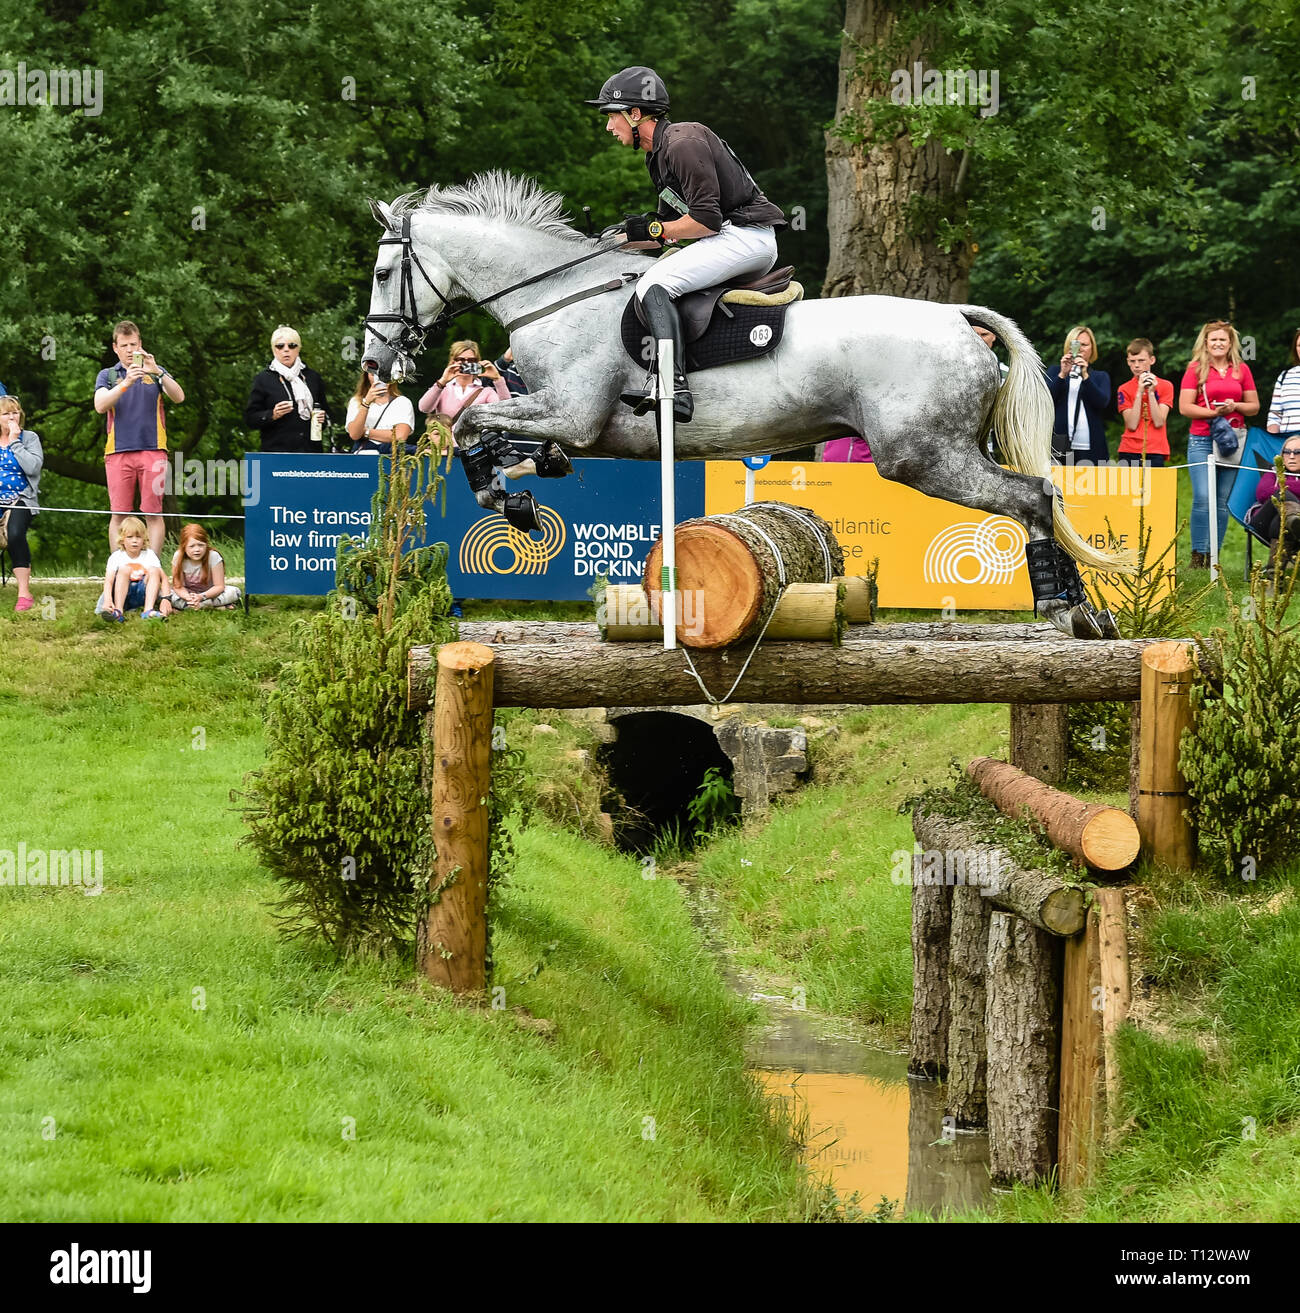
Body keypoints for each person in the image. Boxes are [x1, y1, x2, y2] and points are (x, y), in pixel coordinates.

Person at [586, 65, 785, 422]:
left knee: (653, 285)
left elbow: (705, 222)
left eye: (610, 116)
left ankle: (673, 386)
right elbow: (668, 232)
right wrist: (612, 241)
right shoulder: (658, 155)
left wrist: (653, 231)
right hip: (730, 237)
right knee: (652, 272)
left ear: (634, 114)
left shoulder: (682, 141)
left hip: (744, 237)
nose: (607, 127)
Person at [94, 320, 185, 556]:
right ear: (115, 347)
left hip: (154, 450)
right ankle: (118, 564)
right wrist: (126, 382)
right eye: (124, 345)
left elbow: (179, 397)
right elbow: (100, 405)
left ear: (140, 344)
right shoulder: (108, 374)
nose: (129, 350)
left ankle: (152, 564)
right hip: (118, 451)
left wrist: (157, 371)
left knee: (153, 513)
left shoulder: (155, 372)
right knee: (119, 514)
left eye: (133, 344)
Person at [1178, 320, 1260, 567]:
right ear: (1205, 342)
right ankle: (1198, 554)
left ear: (1230, 342)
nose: (1218, 343)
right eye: (1213, 339)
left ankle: (1214, 555)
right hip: (1202, 438)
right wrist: (1214, 412)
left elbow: (1254, 406)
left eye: (1222, 339)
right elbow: (1184, 407)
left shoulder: (1241, 370)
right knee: (1203, 497)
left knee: (1222, 501)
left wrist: (1234, 407)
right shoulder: (1195, 369)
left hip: (1231, 440)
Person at [244, 326, 330, 454]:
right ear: (274, 350)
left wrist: (322, 419)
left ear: (298, 348)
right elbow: (250, 419)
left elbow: (327, 414)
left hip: (310, 451)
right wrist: (272, 414)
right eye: (280, 346)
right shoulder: (263, 379)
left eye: (292, 345)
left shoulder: (312, 377)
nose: (286, 350)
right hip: (276, 452)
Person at [417, 341, 510, 444]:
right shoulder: (443, 388)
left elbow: (506, 411)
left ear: (477, 362)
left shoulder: (486, 392)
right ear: (453, 361)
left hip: (474, 451)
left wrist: (497, 379)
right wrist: (442, 381)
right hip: (445, 450)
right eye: (460, 359)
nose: (466, 363)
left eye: (471, 360)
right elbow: (424, 408)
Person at [0, 395, 42, 613]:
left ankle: (24, 593)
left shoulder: (29, 438)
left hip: (21, 499)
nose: (11, 417)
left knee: (15, 533)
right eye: (6, 413)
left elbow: (33, 468)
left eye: (15, 412)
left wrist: (15, 442)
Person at [1045, 325, 1110, 464]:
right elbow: (1046, 400)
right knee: (1059, 483)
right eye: (1076, 344)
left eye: (1085, 344)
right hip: (1059, 442)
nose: (1080, 348)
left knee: (1091, 484)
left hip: (1090, 443)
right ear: (1069, 346)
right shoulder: (1055, 371)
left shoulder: (1100, 376)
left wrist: (1085, 376)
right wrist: (1062, 375)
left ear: (1092, 348)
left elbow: (1102, 402)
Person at [1115, 338, 1173, 467]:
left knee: (1154, 487)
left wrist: (1151, 393)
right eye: (1132, 361)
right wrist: (1139, 392)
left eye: (1141, 360)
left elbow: (1159, 422)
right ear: (1128, 362)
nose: (1136, 365)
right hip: (1129, 449)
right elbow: (1131, 424)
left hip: (1155, 448)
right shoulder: (1124, 388)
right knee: (1128, 487)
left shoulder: (1165, 386)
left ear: (1152, 360)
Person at [98, 516, 166, 621]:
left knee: (154, 570)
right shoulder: (116, 556)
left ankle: (148, 610)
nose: (134, 541)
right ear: (122, 539)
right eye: (130, 537)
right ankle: (118, 611)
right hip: (123, 594)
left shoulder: (149, 555)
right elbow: (109, 581)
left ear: (144, 538)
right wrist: (108, 600)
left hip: (143, 593)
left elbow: (163, 578)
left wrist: (166, 600)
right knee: (125, 569)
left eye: (138, 537)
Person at [162, 523, 240, 613]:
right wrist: (188, 598)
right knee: (163, 594)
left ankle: (188, 608)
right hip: (188, 594)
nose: (197, 550)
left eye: (201, 545)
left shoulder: (213, 556)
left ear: (206, 544)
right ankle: (212, 607)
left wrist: (201, 597)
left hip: (209, 594)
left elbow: (219, 586)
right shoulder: (178, 556)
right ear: (184, 547)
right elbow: (178, 586)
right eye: (192, 546)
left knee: (235, 592)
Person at [344, 370, 414, 454]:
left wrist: (365, 432)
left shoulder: (403, 402)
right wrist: (366, 403)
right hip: (363, 456)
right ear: (367, 376)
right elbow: (354, 434)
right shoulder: (356, 401)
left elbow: (400, 436)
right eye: (373, 374)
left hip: (391, 458)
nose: (379, 379)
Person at [1265, 328, 1300, 441]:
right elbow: (1275, 415)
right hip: (1289, 447)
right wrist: (1273, 441)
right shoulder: (1285, 376)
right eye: (1299, 345)